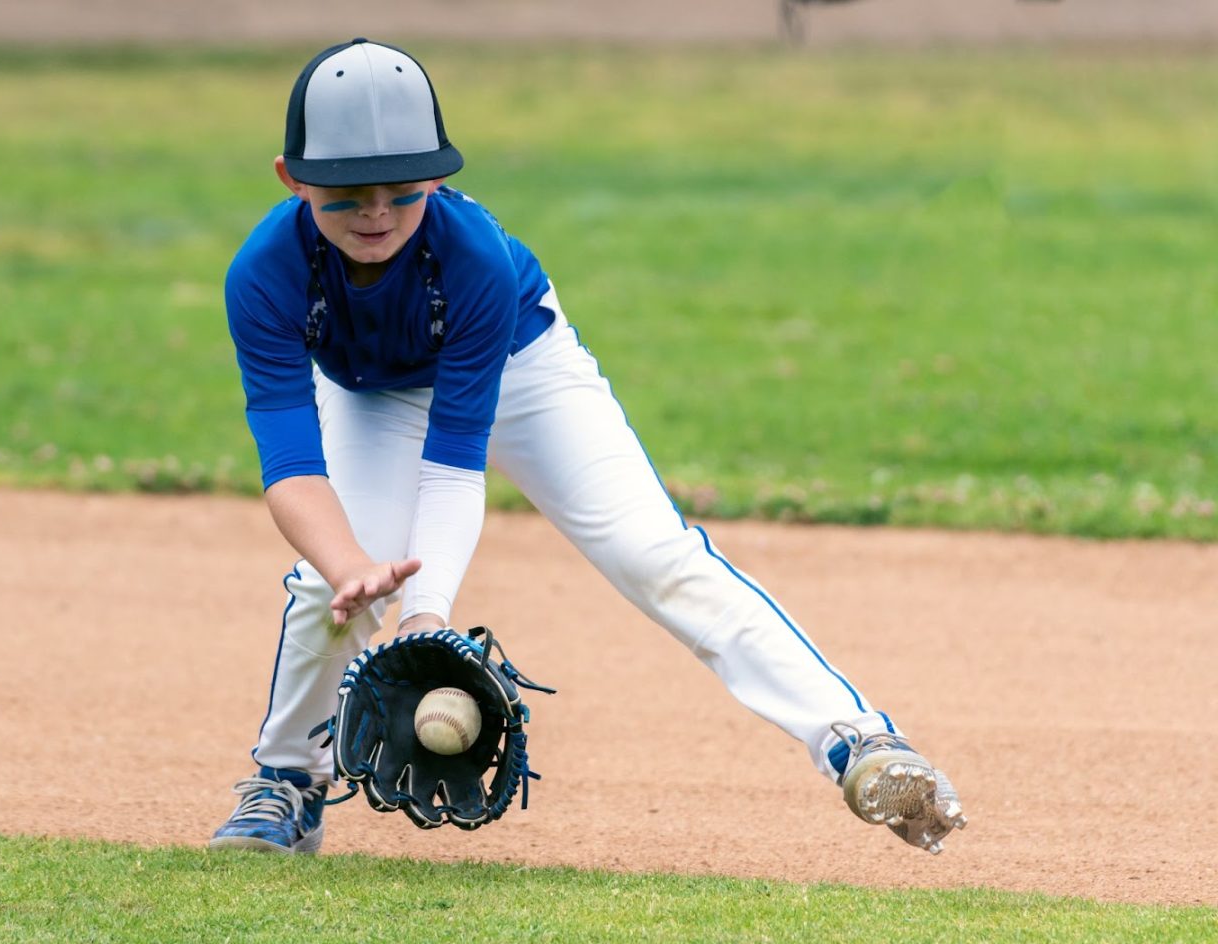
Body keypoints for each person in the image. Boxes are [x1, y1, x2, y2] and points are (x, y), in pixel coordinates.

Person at [210, 38, 967, 856]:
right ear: (293, 179)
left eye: (405, 187)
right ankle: (286, 781)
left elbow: (457, 461)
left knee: (653, 553)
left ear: (441, 177)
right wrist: (353, 567)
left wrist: (426, 615)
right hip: (372, 396)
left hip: (520, 362)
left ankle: (858, 742)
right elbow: (291, 468)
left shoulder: (472, 261)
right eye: (348, 193)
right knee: (328, 589)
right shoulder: (263, 274)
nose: (378, 212)